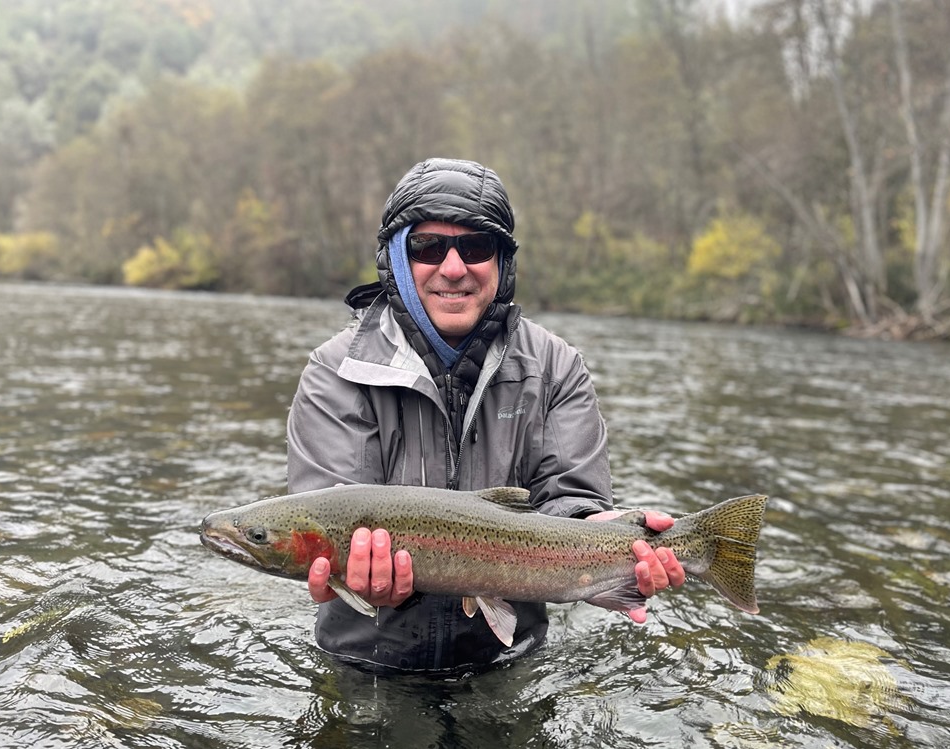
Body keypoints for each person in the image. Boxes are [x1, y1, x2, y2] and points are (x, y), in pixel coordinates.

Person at [286, 157, 685, 673]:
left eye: (475, 247)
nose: (453, 268)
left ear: (502, 261)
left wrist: (598, 533)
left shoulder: (556, 367)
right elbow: (330, 512)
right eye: (427, 247)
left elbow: (573, 500)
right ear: (396, 260)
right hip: (367, 660)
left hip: (507, 662)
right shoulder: (336, 371)